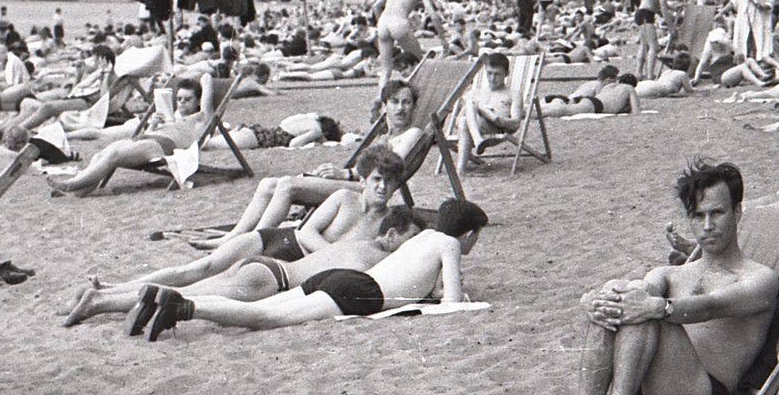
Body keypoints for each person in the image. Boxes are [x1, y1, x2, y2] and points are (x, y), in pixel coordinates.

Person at [541, 161, 779, 395]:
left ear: (738, 213)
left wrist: (658, 306)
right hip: (642, 393)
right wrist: (593, 299)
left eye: (717, 213)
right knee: (617, 301)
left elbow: (710, 306)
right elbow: (634, 294)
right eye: (698, 216)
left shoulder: (760, 279)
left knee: (646, 309)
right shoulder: (671, 274)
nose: (708, 226)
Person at [144, 200, 477, 337]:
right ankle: (185, 308)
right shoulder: (449, 244)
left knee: (258, 308)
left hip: (341, 279)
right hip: (359, 292)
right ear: (470, 234)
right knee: (265, 319)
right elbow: (450, 304)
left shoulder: (421, 240)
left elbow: (427, 286)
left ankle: (170, 300)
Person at [64, 205, 432, 328]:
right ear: (390, 235)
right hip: (272, 278)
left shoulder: (357, 243)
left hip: (263, 264)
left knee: (194, 285)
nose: (412, 247)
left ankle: (107, 293)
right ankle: (100, 302)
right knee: (185, 294)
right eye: (409, 238)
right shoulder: (380, 257)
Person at [192, 81, 426, 248]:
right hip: (357, 183)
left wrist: (342, 173)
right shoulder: (384, 135)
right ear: (385, 105)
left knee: (287, 186)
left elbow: (389, 170)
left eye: (406, 103)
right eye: (394, 102)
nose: (400, 108)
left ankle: (251, 242)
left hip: (368, 191)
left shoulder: (412, 134)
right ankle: (232, 238)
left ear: (414, 107)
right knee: (268, 184)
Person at [48, 74, 214, 196]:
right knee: (101, 154)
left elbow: (206, 80)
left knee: (114, 155)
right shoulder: (173, 115)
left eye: (188, 99)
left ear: (198, 101)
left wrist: (200, 77)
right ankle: (80, 191)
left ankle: (72, 184)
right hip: (148, 139)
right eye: (180, 99)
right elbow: (149, 133)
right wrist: (154, 125)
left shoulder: (201, 118)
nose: (182, 103)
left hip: (163, 146)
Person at [372, 0, 447, 90]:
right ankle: (418, 95)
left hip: (383, 22)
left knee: (385, 71)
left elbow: (376, 6)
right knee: (419, 63)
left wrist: (380, 24)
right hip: (399, 23)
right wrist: (443, 38)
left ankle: (382, 102)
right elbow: (433, 15)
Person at [456, 53, 521, 176]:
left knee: (472, 105)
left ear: (506, 74)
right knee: (467, 112)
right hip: (476, 131)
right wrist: (481, 111)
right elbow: (458, 121)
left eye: (497, 74)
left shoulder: (513, 94)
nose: (492, 78)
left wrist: (498, 119)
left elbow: (516, 123)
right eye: (489, 73)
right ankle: (462, 168)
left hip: (497, 129)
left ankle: (463, 166)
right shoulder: (475, 93)